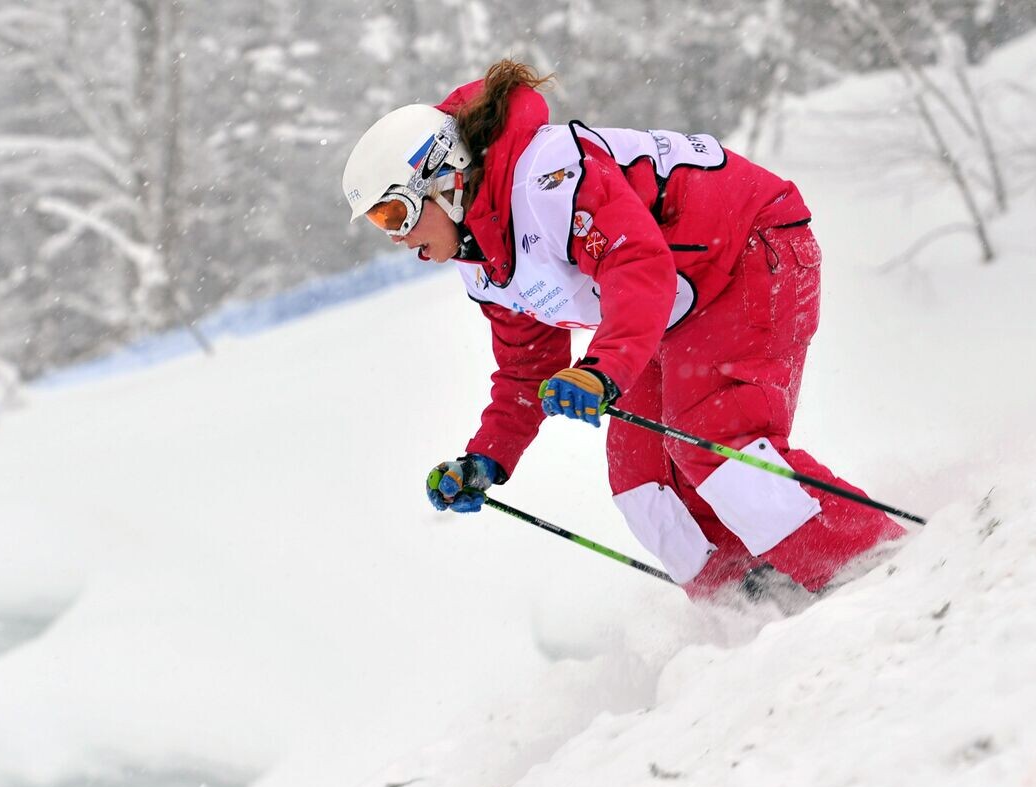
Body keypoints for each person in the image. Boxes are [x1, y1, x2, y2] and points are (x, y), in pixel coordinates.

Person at [341, 60, 904, 600]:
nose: (395, 238)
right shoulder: (483, 261)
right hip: (672, 307)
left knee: (713, 441)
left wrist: (602, 370)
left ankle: (875, 566)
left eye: (395, 215)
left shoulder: (549, 178)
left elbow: (636, 266)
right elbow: (525, 368)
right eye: (379, 224)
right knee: (641, 476)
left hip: (747, 253)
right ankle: (748, 600)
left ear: (445, 180)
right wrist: (487, 458)